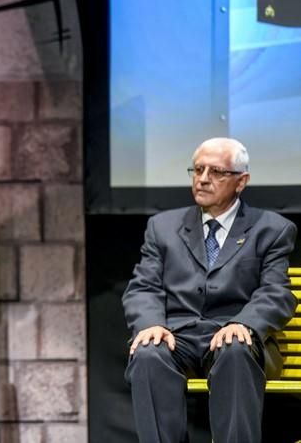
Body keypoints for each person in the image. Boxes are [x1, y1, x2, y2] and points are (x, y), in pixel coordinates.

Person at [122, 137, 297, 443]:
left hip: (237, 338)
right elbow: (143, 286)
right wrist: (150, 324)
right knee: (148, 355)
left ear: (241, 181)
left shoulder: (271, 228)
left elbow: (276, 292)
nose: (202, 179)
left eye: (216, 172)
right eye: (198, 169)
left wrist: (245, 323)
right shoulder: (162, 227)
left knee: (235, 350)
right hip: (180, 336)